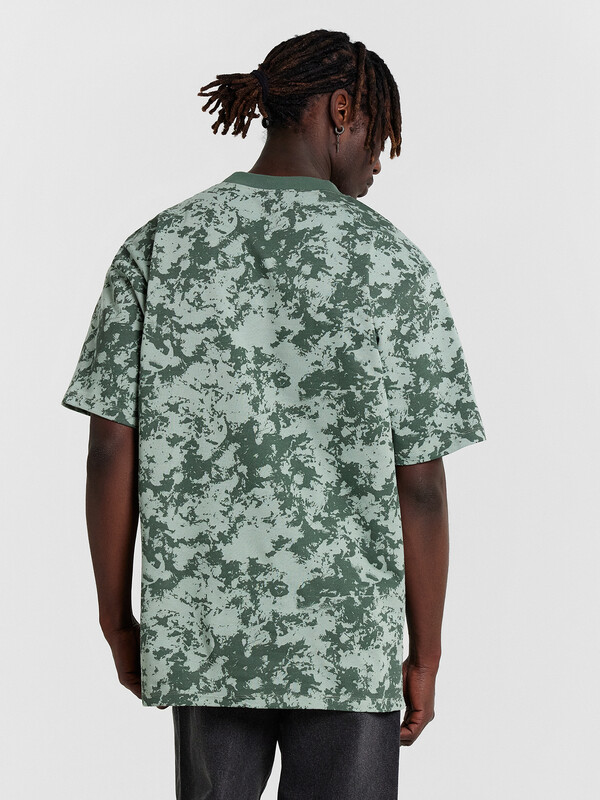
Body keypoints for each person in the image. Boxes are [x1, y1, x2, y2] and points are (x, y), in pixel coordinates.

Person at [61, 28, 486, 800]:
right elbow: (421, 484)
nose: (379, 160)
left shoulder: (161, 247)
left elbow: (110, 450)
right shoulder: (392, 264)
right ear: (341, 109)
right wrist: (424, 657)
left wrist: (116, 619)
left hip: (206, 636)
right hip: (346, 644)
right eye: (377, 133)